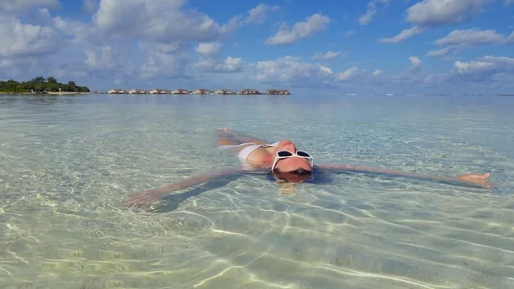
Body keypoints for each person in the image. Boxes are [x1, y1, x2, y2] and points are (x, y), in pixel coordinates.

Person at [123, 128, 492, 208]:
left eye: (291, 155)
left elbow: (207, 178)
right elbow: (376, 170)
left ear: (275, 168)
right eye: (301, 154)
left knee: (229, 138)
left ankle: (225, 132)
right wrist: (450, 178)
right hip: (263, 140)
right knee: (254, 134)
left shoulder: (258, 166)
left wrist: (158, 192)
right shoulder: (299, 164)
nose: (293, 150)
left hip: (246, 148)